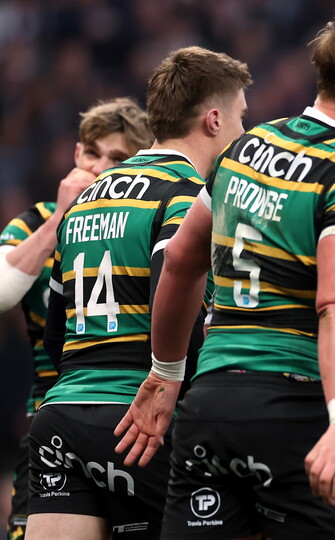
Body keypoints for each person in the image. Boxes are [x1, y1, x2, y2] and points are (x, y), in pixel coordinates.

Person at [114, 8, 335, 539]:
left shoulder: (246, 149)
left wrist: (166, 373)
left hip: (211, 405)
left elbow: (180, 260)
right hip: (299, 409)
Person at [25, 47, 251, 540]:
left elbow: (55, 332)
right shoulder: (186, 193)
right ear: (214, 120)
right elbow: (174, 295)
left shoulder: (86, 198)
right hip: (142, 422)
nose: (243, 134)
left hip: (61, 415)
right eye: (240, 118)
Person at [0, 98, 153, 540]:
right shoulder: (36, 221)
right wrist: (60, 223)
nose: (100, 167)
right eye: (92, 152)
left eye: (117, 158)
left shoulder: (149, 220)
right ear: (75, 153)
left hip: (130, 422)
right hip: (50, 420)